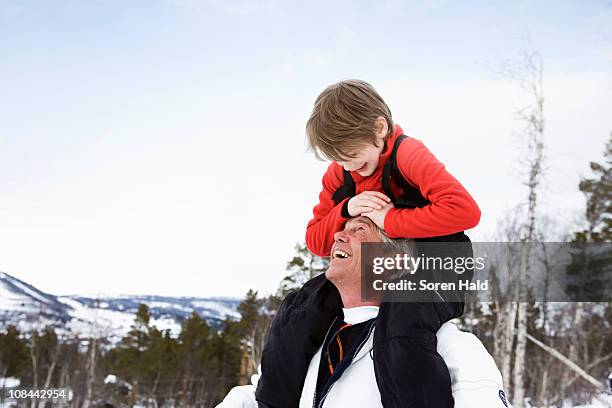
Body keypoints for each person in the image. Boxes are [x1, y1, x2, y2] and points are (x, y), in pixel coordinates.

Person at [256, 79, 481, 407]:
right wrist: (346, 208)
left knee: (402, 321)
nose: (349, 167)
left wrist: (390, 220)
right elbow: (316, 240)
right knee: (301, 309)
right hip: (381, 257)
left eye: (353, 157)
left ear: (379, 129)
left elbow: (465, 210)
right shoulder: (341, 173)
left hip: (438, 259)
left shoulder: (408, 155)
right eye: (338, 159)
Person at [217, 217, 510, 408]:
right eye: (342, 228)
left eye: (358, 229)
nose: (338, 236)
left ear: (392, 261)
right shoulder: (311, 337)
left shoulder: (450, 346)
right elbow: (258, 397)